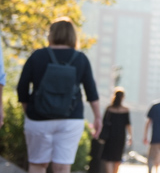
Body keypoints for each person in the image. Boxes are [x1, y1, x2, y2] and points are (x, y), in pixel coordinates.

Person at [16, 17, 102, 173]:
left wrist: (28, 110)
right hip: (70, 119)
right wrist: (98, 117)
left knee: (37, 164)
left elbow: (22, 87)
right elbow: (91, 92)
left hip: (38, 118)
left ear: (52, 34)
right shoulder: (81, 59)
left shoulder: (37, 56)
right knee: (62, 167)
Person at [100, 88, 132, 173]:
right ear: (123, 97)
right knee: (117, 157)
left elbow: (103, 123)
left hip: (109, 136)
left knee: (109, 158)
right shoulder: (125, 110)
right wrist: (130, 137)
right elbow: (128, 125)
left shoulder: (109, 109)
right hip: (120, 136)